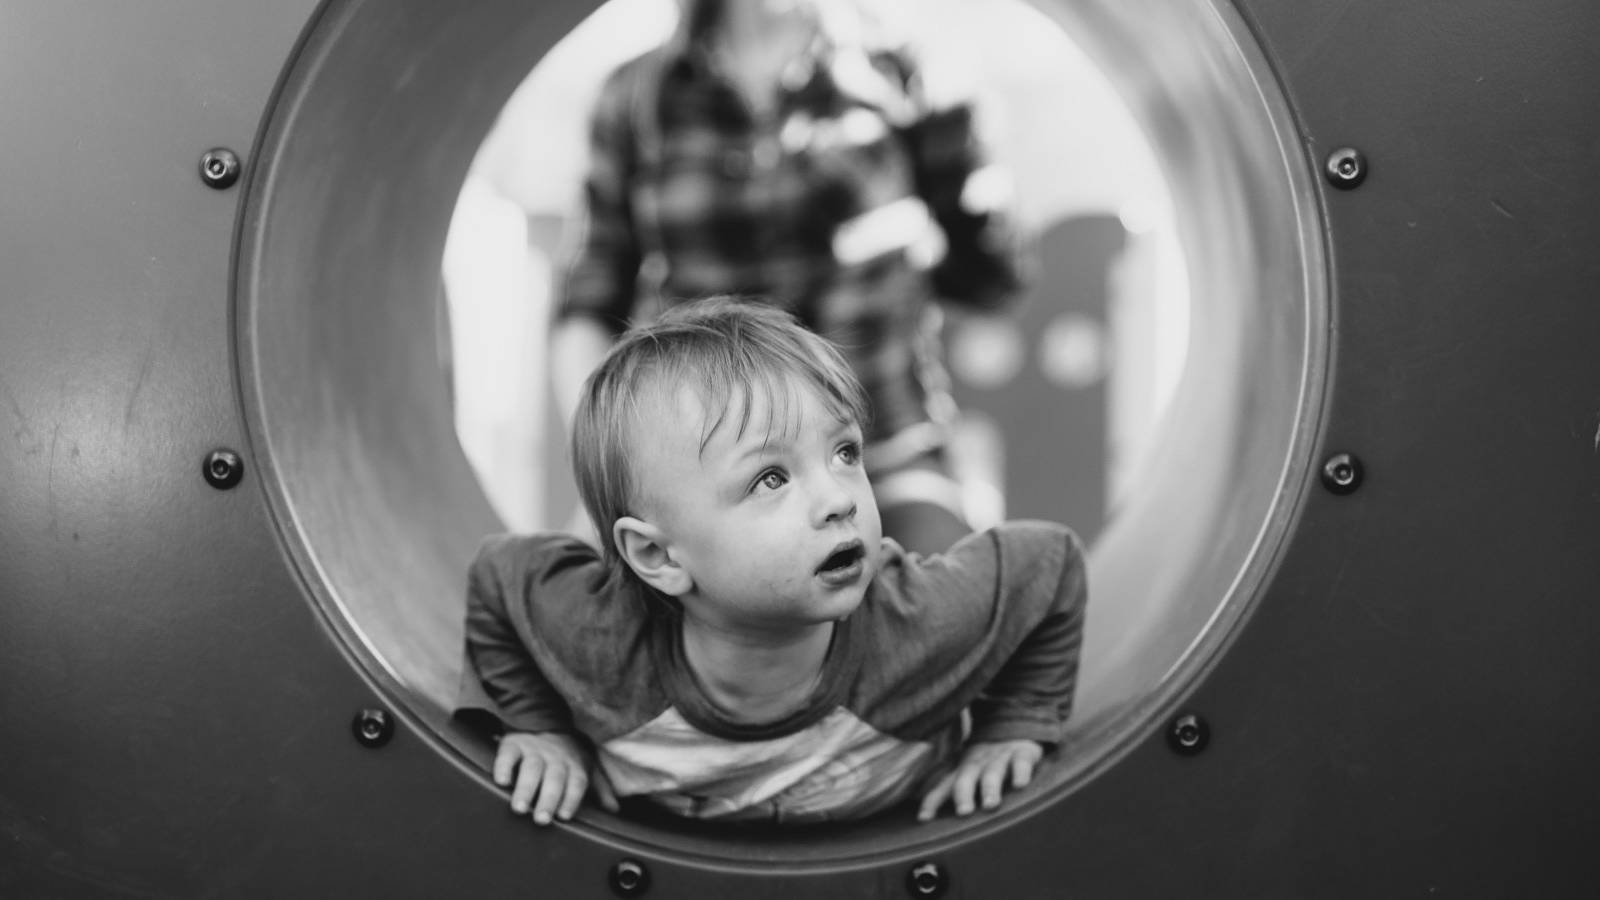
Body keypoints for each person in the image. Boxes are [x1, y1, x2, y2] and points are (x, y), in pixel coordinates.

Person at [458, 299, 1084, 825]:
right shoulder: (599, 642)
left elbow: (1048, 562)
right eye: (770, 479)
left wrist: (1014, 723)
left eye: (844, 452)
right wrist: (536, 725)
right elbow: (498, 573)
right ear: (657, 555)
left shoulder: (918, 626)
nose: (839, 498)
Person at [550, 0, 1025, 554]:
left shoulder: (903, 70)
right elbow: (588, 300)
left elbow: (989, 272)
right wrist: (615, 471)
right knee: (576, 606)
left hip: (879, 454)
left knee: (939, 605)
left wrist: (918, 243)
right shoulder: (638, 97)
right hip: (705, 465)